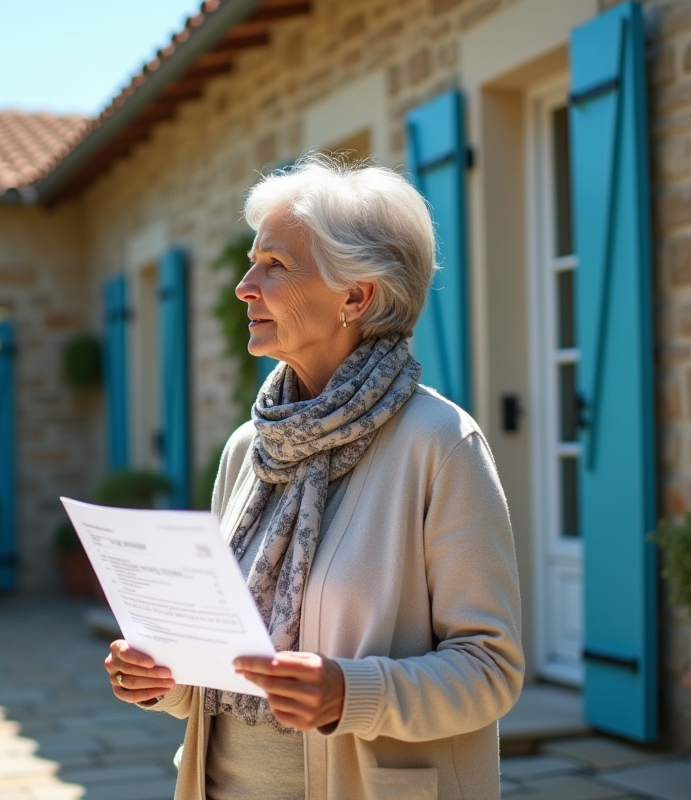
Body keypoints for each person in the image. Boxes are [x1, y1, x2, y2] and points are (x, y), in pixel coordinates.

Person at [103, 156, 524, 800]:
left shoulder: (441, 445)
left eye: (275, 265)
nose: (245, 286)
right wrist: (166, 678)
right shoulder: (250, 448)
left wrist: (349, 693)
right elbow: (223, 666)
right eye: (252, 262)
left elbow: (490, 671)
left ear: (356, 296)